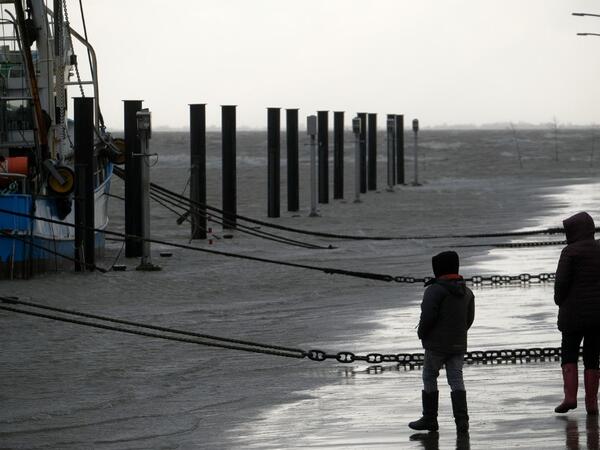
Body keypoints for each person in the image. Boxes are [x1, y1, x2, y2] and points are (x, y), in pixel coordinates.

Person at [409, 250, 475, 433]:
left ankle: (430, 418)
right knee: (456, 379)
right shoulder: (467, 291)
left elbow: (428, 316)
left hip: (436, 344)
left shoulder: (435, 290)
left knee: (429, 376)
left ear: (437, 270)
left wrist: (422, 333)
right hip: (458, 343)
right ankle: (462, 421)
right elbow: (469, 319)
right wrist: (458, 334)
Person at [554, 211, 600, 415]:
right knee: (592, 356)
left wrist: (558, 300)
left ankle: (570, 397)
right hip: (598, 315)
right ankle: (592, 403)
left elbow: (562, 283)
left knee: (569, 353)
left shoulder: (570, 252)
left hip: (573, 314)